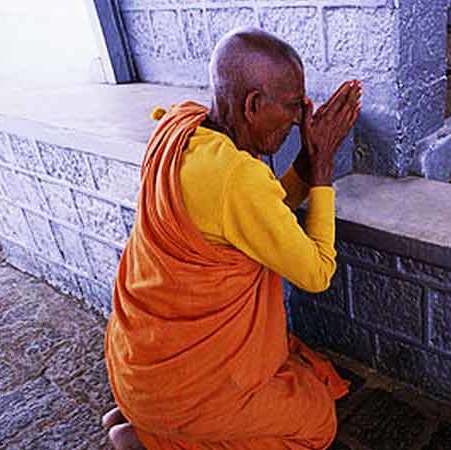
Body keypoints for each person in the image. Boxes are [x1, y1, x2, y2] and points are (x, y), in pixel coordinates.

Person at [101, 27, 362, 450]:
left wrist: (303, 158)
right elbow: (317, 272)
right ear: (254, 105)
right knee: (316, 423)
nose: (300, 118)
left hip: (138, 363)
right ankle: (154, 439)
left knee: (286, 369)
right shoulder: (238, 178)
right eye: (294, 105)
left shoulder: (179, 127)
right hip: (184, 390)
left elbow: (256, 215)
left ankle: (146, 421)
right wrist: (324, 168)